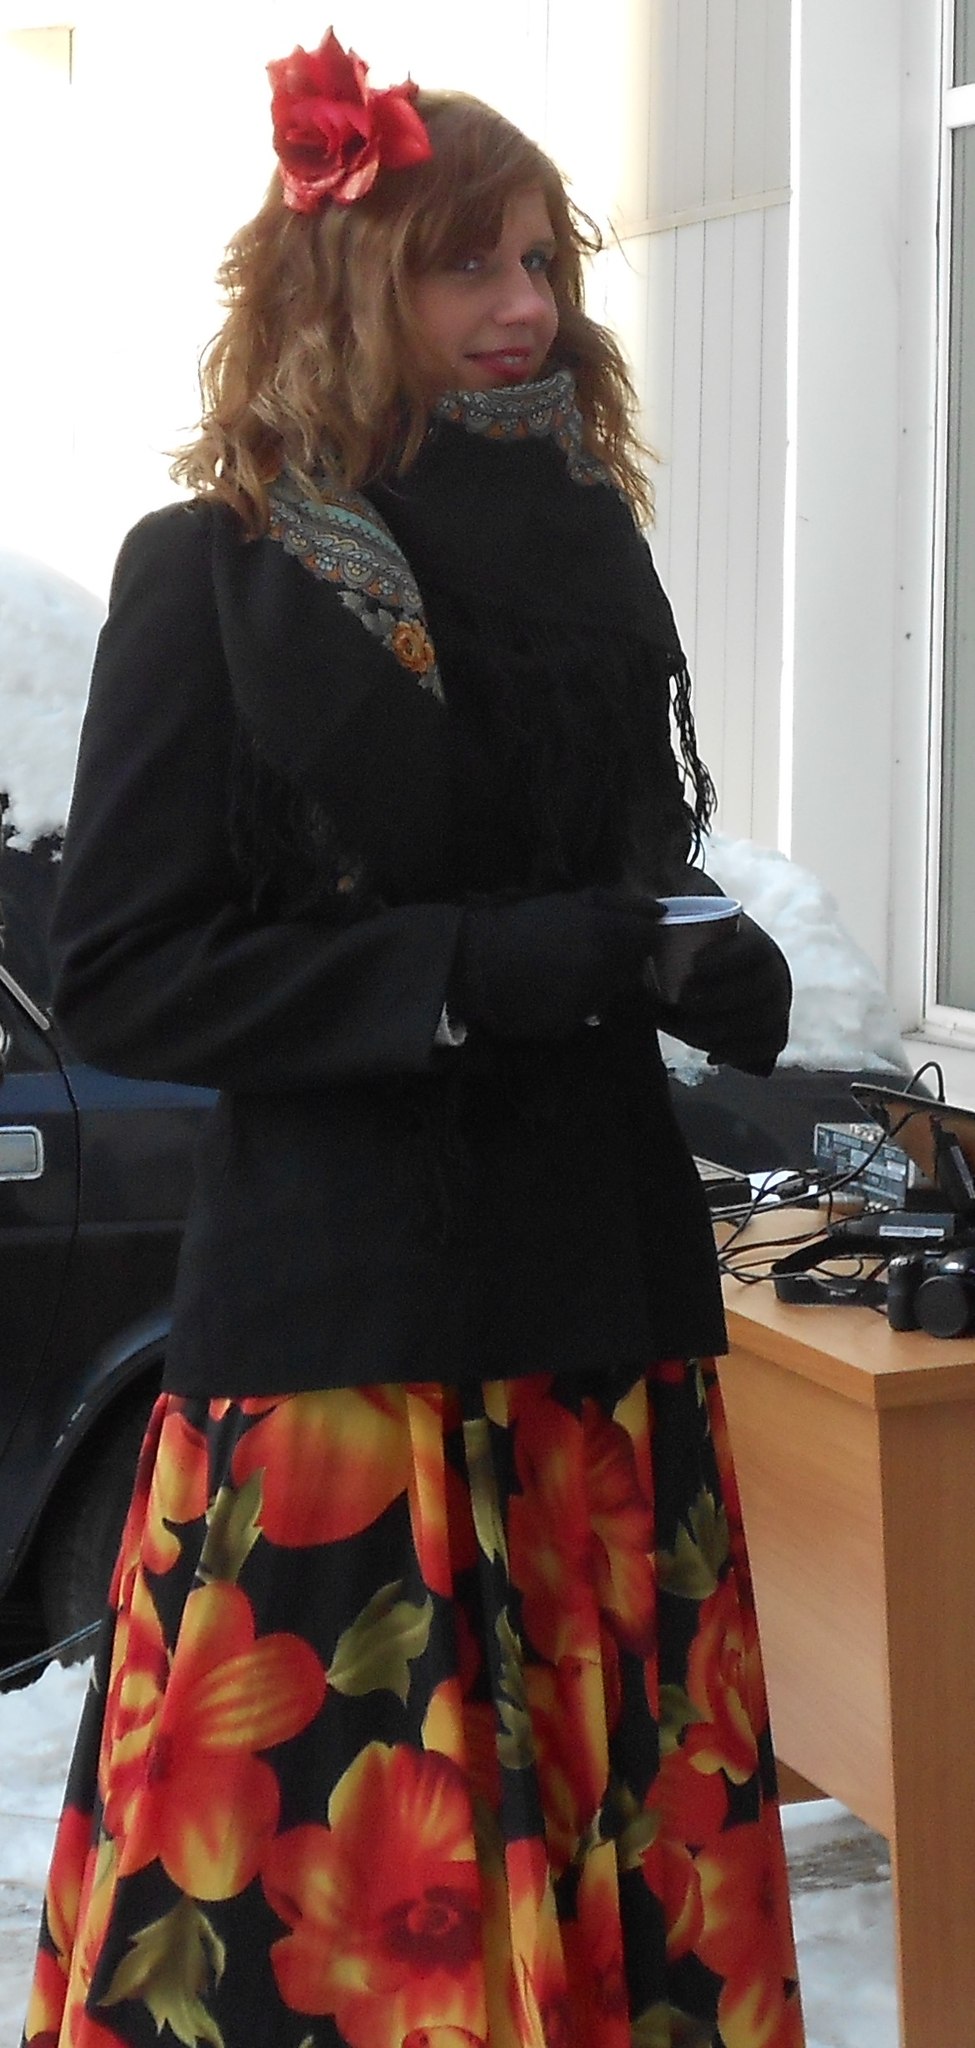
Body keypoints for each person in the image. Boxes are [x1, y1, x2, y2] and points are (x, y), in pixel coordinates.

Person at [22, 28, 802, 2048]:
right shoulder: (214, 571)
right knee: (339, 1925)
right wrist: (470, 970)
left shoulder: (587, 545)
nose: (525, 304)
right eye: (470, 262)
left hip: (595, 1321)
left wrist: (705, 956)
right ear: (350, 278)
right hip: (348, 1343)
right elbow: (127, 973)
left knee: (616, 1894)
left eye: (542, 259)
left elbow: (619, 864)